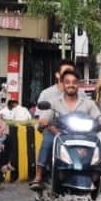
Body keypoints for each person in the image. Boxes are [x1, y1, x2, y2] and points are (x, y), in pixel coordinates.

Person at [31, 70, 101, 190]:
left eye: (74, 82)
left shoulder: (88, 103)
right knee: (48, 141)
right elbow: (45, 117)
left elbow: (99, 117)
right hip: (61, 135)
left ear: (78, 85)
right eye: (67, 82)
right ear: (63, 84)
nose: (71, 85)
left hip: (85, 136)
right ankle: (38, 176)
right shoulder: (54, 103)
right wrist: (44, 122)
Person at [33, 59, 75, 187]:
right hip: (52, 128)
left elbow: (89, 110)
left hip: (75, 130)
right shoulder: (47, 94)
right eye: (65, 72)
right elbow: (40, 117)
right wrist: (47, 124)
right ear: (58, 75)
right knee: (48, 141)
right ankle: (39, 175)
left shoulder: (80, 93)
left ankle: (97, 173)